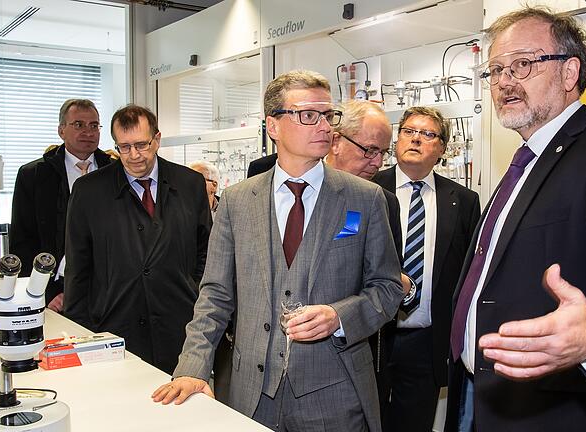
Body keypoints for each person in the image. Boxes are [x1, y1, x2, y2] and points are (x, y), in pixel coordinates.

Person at [446, 7, 586, 431]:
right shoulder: (524, 163)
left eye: (523, 64)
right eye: (495, 70)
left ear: (570, 73)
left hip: (557, 413)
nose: (504, 82)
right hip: (481, 397)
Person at [152, 70, 404, 432]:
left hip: (334, 396)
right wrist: (193, 367)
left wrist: (339, 316)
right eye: (307, 115)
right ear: (273, 125)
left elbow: (388, 287)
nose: (324, 126)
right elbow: (215, 295)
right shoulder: (238, 201)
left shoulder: (364, 199)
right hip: (251, 395)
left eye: (328, 116)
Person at [64, 104, 211, 374]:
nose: (133, 156)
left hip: (179, 326)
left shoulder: (189, 183)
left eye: (142, 145)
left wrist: (193, 291)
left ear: (157, 139)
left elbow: (207, 253)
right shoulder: (89, 192)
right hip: (115, 328)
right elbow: (78, 268)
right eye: (124, 147)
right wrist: (80, 334)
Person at [371, 107, 480, 432]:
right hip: (373, 337)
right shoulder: (368, 189)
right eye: (408, 131)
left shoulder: (462, 200)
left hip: (427, 341)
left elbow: (469, 274)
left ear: (442, 149)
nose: (416, 138)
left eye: (428, 133)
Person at [326, 99, 405, 416]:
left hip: (356, 347)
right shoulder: (290, 187)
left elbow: (384, 280)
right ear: (336, 141)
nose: (377, 162)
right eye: (369, 150)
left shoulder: (381, 202)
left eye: (384, 153)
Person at [9, 98, 114, 312]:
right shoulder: (34, 175)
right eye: (79, 125)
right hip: (55, 290)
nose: (88, 132)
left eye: (94, 125)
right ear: (61, 130)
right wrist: (44, 292)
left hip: (110, 290)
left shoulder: (115, 172)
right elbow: (23, 241)